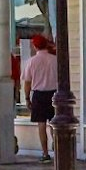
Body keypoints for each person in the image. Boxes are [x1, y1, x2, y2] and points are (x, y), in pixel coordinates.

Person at [22, 34, 58, 162]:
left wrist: (27, 98)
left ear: (35, 46)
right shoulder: (55, 60)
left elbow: (27, 82)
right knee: (55, 124)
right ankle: (57, 148)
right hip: (54, 94)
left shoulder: (31, 62)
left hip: (39, 94)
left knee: (41, 124)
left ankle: (45, 153)